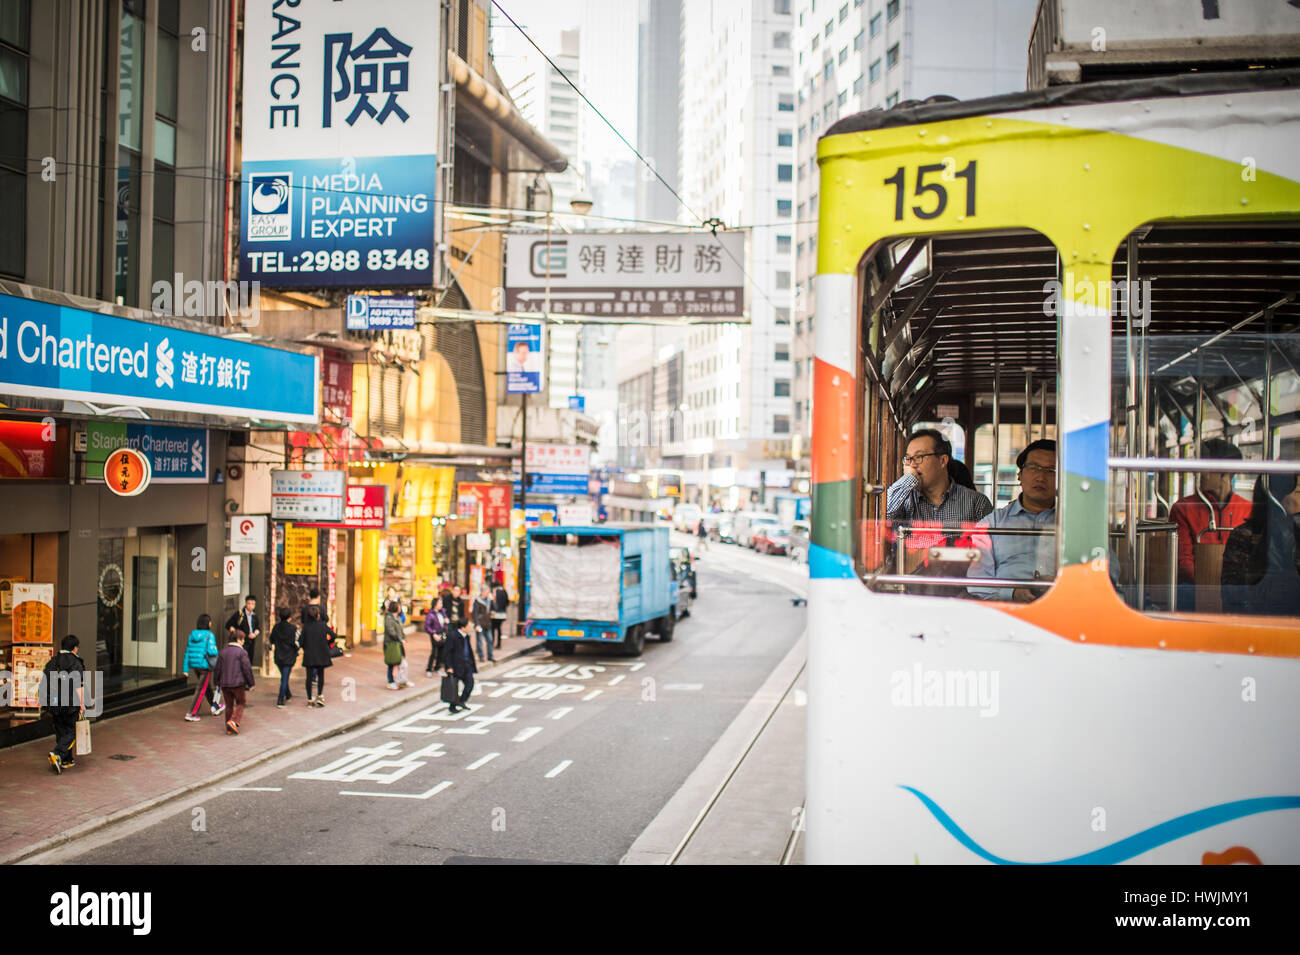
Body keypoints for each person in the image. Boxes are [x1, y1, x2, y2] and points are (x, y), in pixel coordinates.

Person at [968, 440, 1058, 601]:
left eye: (1051, 470)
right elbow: (976, 581)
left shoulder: (1077, 524)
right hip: (1008, 611)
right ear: (1020, 475)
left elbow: (1109, 570)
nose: (1041, 477)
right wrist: (1012, 593)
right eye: (1034, 468)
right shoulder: (992, 523)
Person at [1169, 438, 1252, 611]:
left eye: (1207, 469)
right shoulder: (1183, 509)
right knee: (1184, 591)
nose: (1201, 474)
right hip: (1196, 586)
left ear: (1225, 473)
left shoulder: (1248, 510)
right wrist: (1210, 590)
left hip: (1233, 588)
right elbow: (1184, 561)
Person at [1221, 474, 1300, 616]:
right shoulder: (1250, 536)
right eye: (1298, 492)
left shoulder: (1242, 534)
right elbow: (1234, 594)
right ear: (1280, 498)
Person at [886, 429, 994, 531]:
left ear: (942, 460)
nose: (912, 465)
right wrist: (909, 479)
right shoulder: (904, 500)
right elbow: (883, 515)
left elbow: (991, 545)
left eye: (918, 457)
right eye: (908, 459)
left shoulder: (977, 503)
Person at [43, 634, 85, 774]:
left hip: (54, 701)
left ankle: (66, 760)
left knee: (61, 729)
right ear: (74, 648)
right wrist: (82, 704)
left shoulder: (52, 662)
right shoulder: (76, 663)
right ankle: (58, 754)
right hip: (71, 702)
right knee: (72, 731)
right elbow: (79, 686)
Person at [181, 614, 222, 722]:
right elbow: (212, 651)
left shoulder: (192, 634)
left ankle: (215, 706)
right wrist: (216, 649)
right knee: (201, 689)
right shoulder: (209, 635)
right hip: (205, 666)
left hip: (195, 666)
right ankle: (191, 713)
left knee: (206, 686)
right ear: (208, 623)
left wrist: (185, 669)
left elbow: (187, 652)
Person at [214, 629, 255, 735]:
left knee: (229, 705)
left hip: (225, 683)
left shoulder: (223, 652)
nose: (244, 642)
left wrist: (217, 681)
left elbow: (218, 668)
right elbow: (247, 669)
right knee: (241, 703)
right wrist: (251, 683)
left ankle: (228, 728)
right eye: (242, 639)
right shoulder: (242, 652)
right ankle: (233, 721)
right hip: (238, 683)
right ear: (238, 639)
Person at [299, 604, 333, 706]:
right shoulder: (322, 625)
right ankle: (319, 695)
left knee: (308, 678)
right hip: (321, 654)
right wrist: (326, 643)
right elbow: (333, 635)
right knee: (321, 675)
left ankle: (309, 699)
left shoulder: (306, 627)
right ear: (318, 615)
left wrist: (305, 647)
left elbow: (301, 641)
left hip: (309, 654)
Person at [442, 615, 477, 713]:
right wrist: (449, 666)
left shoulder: (466, 636)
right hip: (456, 665)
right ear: (463, 627)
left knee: (470, 684)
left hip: (466, 664)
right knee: (454, 686)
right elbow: (448, 652)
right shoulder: (453, 636)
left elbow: (469, 650)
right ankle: (452, 706)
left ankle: (461, 701)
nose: (470, 627)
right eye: (469, 625)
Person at [269, 607, 299, 708]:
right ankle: (280, 699)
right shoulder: (293, 629)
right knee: (284, 678)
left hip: (278, 656)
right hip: (289, 656)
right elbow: (298, 641)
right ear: (289, 618)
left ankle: (288, 693)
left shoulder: (276, 627)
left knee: (284, 676)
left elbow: (271, 640)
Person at [225, 595, 261, 669]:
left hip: (251, 640)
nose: (251, 606)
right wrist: (237, 634)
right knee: (241, 660)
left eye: (253, 604)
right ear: (246, 604)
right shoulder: (239, 614)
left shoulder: (254, 615)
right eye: (249, 603)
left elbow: (257, 627)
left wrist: (255, 633)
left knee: (249, 660)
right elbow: (228, 625)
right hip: (241, 641)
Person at [383, 600, 408, 690]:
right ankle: (390, 681)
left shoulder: (397, 617)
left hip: (398, 643)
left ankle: (401, 680)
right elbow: (391, 631)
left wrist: (403, 638)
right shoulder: (389, 618)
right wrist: (400, 639)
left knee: (401, 662)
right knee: (391, 662)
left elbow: (401, 630)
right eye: (398, 606)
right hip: (391, 644)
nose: (400, 608)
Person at [472, 585, 495, 663]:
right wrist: (477, 624)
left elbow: (495, 608)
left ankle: (490, 656)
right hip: (480, 624)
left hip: (488, 623)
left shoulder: (489, 600)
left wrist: (492, 600)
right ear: (483, 592)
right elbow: (474, 613)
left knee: (490, 640)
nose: (488, 593)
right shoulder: (477, 601)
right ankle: (481, 656)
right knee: (480, 641)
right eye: (487, 592)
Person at [424, 601, 447, 676]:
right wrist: (433, 633)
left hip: (442, 634)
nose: (441, 605)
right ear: (435, 604)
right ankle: (429, 669)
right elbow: (427, 626)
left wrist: (446, 625)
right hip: (435, 635)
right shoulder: (430, 614)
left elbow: (445, 623)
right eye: (440, 603)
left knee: (442, 652)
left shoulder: (442, 612)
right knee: (434, 652)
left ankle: (437, 668)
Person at [490, 578, 510, 650]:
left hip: (495, 613)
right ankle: (499, 644)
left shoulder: (495, 592)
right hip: (502, 614)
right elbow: (507, 602)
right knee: (499, 628)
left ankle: (491, 643)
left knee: (492, 628)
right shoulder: (504, 592)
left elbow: (492, 603)